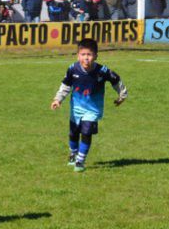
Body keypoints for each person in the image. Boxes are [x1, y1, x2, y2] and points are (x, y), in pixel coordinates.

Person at [50, 38, 127, 172]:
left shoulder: (102, 71)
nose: (86, 58)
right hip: (76, 109)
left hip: (93, 110)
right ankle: (73, 153)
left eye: (89, 55)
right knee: (73, 133)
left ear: (96, 55)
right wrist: (58, 99)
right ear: (78, 55)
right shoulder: (72, 69)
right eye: (83, 54)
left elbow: (116, 80)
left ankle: (80, 161)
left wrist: (122, 95)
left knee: (86, 132)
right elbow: (65, 86)